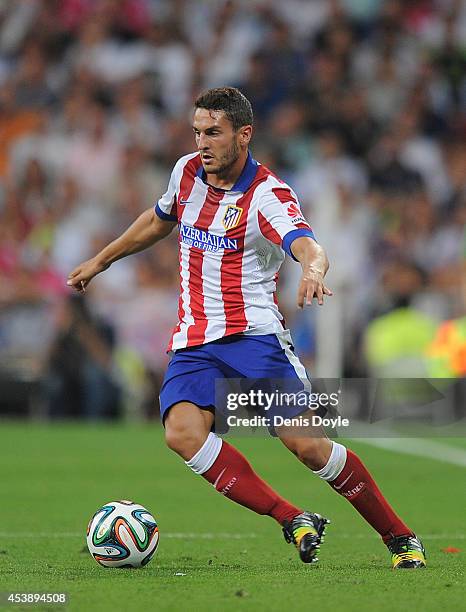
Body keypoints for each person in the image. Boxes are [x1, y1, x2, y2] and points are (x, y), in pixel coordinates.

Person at [68, 87, 425, 569]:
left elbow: (306, 243)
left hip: (255, 342)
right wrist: (101, 260)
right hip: (195, 341)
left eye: (213, 132)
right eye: (197, 132)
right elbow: (158, 221)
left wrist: (314, 269)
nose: (202, 143)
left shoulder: (268, 195)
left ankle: (400, 538)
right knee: (182, 433)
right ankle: (292, 518)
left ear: (244, 134)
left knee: (310, 446)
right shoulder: (187, 172)